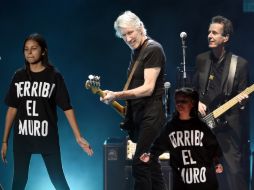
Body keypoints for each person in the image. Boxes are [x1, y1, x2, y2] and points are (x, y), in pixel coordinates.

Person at [1, 33, 93, 190]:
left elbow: (67, 107)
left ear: (43, 51)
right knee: (19, 181)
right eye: (26, 49)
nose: (29, 52)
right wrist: (4, 141)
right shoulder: (19, 76)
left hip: (47, 137)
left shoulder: (54, 76)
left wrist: (78, 137)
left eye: (34, 48)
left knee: (58, 179)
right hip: (23, 138)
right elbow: (12, 109)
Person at [100, 11, 167, 190]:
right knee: (151, 165)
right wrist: (113, 98)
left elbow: (148, 88)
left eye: (130, 33)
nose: (128, 39)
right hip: (141, 115)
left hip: (152, 116)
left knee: (139, 163)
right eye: (124, 36)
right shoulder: (137, 53)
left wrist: (116, 95)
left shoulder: (153, 49)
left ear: (140, 27)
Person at [193, 15, 249, 190]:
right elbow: (192, 89)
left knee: (234, 175)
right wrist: (195, 101)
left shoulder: (239, 65)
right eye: (209, 32)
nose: (210, 35)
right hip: (204, 125)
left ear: (225, 38)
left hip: (228, 128)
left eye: (215, 33)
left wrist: (242, 102)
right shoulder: (201, 59)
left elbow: (243, 98)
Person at [141, 87, 223, 190]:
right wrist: (150, 156)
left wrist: (217, 163)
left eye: (183, 101)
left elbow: (212, 147)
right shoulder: (171, 127)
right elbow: (159, 144)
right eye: (177, 101)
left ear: (192, 104)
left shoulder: (201, 127)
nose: (179, 104)